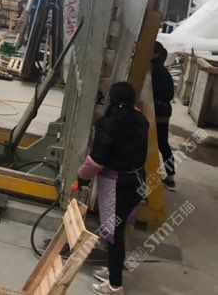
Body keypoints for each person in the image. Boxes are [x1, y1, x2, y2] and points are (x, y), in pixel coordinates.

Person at [75, 82, 148, 295]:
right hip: (137, 182)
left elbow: (96, 161)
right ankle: (113, 272)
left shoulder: (108, 124)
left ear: (111, 99)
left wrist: (82, 178)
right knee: (119, 229)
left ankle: (115, 286)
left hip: (118, 186)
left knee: (113, 234)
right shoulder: (141, 120)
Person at [151, 42, 175, 190]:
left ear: (155, 53)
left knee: (156, 143)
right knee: (163, 144)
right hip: (164, 111)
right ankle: (170, 176)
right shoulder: (163, 70)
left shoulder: (154, 68)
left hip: (156, 111)